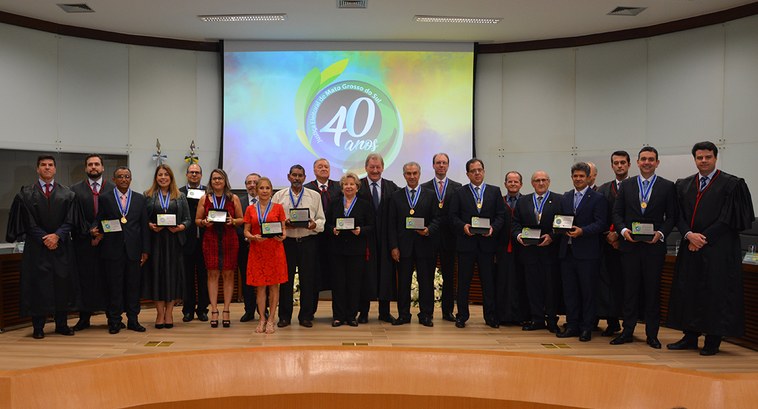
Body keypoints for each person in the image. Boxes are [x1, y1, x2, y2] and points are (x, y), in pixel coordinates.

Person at [667, 141, 754, 356]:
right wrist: (689, 235)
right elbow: (677, 215)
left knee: (716, 292)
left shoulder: (732, 184)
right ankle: (689, 336)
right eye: (699, 157)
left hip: (719, 250)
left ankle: (713, 340)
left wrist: (702, 239)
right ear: (694, 159)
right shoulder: (683, 185)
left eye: (708, 157)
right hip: (690, 246)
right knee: (689, 290)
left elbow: (729, 218)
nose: (703, 161)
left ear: (715, 158)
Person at [6, 155, 81, 339]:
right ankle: (38, 327)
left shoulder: (68, 194)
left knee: (62, 285)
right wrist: (45, 238)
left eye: (50, 165)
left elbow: (71, 220)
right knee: (37, 285)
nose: (47, 168)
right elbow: (27, 222)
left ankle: (62, 324)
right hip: (37, 248)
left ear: (55, 169)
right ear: (37, 169)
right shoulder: (25, 194)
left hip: (61, 247)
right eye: (43, 165)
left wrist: (57, 236)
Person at [610, 147, 677, 349]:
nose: (647, 162)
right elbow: (617, 214)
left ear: (657, 163)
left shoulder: (668, 186)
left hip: (653, 248)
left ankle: (652, 335)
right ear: (637, 163)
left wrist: (660, 234)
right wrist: (623, 232)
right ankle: (627, 331)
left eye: (651, 159)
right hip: (630, 246)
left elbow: (672, 216)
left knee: (652, 291)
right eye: (643, 159)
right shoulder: (627, 185)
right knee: (629, 291)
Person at [449, 158, 506, 328]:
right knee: (463, 283)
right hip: (466, 244)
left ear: (484, 171)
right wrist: (463, 226)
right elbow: (452, 217)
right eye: (473, 170)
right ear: (468, 174)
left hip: (487, 245)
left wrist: (493, 229)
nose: (477, 173)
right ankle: (462, 316)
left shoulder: (494, 191)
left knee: (488, 282)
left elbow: (501, 216)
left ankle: (490, 317)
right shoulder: (459, 192)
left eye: (479, 169)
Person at [93, 166, 150, 333]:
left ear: (130, 179)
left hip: (134, 251)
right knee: (114, 287)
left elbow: (144, 227)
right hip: (112, 250)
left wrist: (145, 250)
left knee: (133, 287)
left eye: (127, 176)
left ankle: (133, 320)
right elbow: (100, 220)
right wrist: (94, 230)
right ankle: (114, 321)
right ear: (114, 179)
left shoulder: (140, 199)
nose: (124, 179)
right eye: (120, 176)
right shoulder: (105, 198)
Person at [556, 162, 607, 342]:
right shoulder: (566, 197)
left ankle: (586, 328)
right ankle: (572, 325)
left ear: (588, 178)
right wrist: (560, 228)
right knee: (570, 292)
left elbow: (601, 223)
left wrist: (582, 231)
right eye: (575, 176)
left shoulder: (598, 198)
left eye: (581, 176)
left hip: (587, 254)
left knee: (587, 292)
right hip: (567, 252)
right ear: (572, 178)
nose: (578, 179)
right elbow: (561, 221)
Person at [273, 164, 325, 328]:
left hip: (308, 242)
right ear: (289, 177)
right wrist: (284, 224)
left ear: (304, 177)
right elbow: (272, 220)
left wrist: (313, 225)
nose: (296, 178)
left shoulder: (314, 196)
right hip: (287, 242)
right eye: (294, 175)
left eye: (300, 176)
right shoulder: (279, 196)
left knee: (308, 280)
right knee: (285, 280)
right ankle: (284, 317)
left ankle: (306, 316)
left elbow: (321, 220)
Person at [388, 162, 440, 326]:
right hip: (403, 248)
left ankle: (426, 315)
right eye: (408, 173)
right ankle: (403, 315)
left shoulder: (430, 195)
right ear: (404, 175)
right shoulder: (396, 196)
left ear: (419, 174)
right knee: (403, 283)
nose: (411, 176)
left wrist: (428, 230)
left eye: (414, 173)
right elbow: (392, 224)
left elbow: (437, 219)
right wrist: (394, 246)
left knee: (426, 281)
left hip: (425, 245)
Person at [511, 171, 563, 333]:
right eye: (537, 180)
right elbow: (515, 223)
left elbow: (562, 223)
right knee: (532, 287)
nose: (541, 183)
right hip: (529, 252)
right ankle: (537, 318)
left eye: (544, 180)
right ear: (532, 183)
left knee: (551, 287)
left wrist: (552, 237)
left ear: (549, 182)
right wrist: (519, 236)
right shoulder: (523, 201)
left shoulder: (559, 200)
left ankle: (552, 319)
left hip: (550, 252)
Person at [70, 154, 114, 331]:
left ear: (103, 167)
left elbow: (117, 215)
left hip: (108, 242)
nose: (93, 167)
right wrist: (89, 231)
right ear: (85, 168)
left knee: (109, 279)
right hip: (83, 243)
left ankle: (113, 317)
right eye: (90, 164)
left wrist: (101, 232)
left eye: (97, 164)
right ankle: (84, 317)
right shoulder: (74, 190)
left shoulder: (113, 188)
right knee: (85, 280)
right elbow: (73, 216)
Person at [144, 164, 190, 329]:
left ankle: (169, 313)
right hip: (155, 242)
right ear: (156, 177)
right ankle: (159, 313)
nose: (163, 177)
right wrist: (150, 225)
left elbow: (187, 220)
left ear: (171, 177)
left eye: (166, 175)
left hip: (173, 242)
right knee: (157, 276)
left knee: (172, 277)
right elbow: (144, 219)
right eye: (160, 175)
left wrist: (180, 227)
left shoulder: (180, 196)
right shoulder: (148, 195)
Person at [196, 169, 244, 328]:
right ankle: (214, 310)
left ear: (225, 181)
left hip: (230, 239)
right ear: (210, 181)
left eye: (220, 178)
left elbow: (241, 219)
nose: (217, 181)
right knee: (212, 274)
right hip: (210, 239)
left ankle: (227, 310)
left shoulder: (233, 198)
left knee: (229, 274)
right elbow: (197, 220)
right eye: (214, 178)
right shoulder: (204, 198)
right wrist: (204, 223)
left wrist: (233, 221)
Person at [325, 172, 374, 327]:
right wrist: (332, 229)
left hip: (356, 250)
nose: (349, 187)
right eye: (346, 184)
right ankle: (338, 317)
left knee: (354, 284)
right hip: (337, 250)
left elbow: (371, 226)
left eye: (352, 184)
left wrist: (361, 230)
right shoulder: (334, 203)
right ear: (342, 187)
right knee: (338, 284)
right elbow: (326, 224)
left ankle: (352, 316)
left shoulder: (364, 204)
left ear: (357, 187)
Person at [420, 153, 462, 322]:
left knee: (449, 276)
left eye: (444, 163)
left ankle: (447, 311)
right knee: (427, 276)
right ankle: (427, 312)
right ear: (433, 165)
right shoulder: (425, 187)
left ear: (448, 165)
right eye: (438, 163)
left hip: (450, 239)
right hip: (429, 238)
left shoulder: (457, 187)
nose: (441, 165)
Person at [357, 153, 399, 323]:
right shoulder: (358, 186)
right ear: (366, 168)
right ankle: (364, 312)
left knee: (386, 275)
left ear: (383, 167)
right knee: (365, 275)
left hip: (386, 238)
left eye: (378, 167)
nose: (375, 170)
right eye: (371, 167)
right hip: (365, 239)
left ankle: (384, 312)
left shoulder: (392, 187)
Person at [243, 177, 288, 334]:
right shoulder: (250, 209)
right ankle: (262, 318)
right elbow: (246, 230)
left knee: (274, 287)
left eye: (267, 188)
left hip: (274, 250)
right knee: (260, 288)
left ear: (271, 190)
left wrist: (282, 236)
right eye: (261, 188)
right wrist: (252, 237)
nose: (264, 191)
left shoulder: (278, 208)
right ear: (256, 190)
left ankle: (271, 320)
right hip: (257, 251)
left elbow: (283, 230)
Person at [596, 151, 631, 336]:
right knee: (608, 284)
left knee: (627, 285)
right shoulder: (602, 189)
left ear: (629, 165)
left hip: (629, 243)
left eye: (623, 162)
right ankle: (612, 321)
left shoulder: (636, 187)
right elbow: (597, 215)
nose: (619, 166)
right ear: (611, 166)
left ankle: (629, 325)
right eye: (616, 163)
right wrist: (608, 235)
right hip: (606, 244)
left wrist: (619, 234)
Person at [304, 158, 341, 317]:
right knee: (312, 277)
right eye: (320, 167)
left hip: (335, 238)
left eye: (326, 166)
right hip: (313, 239)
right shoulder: (306, 190)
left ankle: (339, 313)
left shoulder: (339, 187)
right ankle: (309, 312)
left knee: (337, 276)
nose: (324, 169)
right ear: (314, 170)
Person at [497, 170, 530, 325]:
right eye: (510, 181)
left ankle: (521, 316)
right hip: (502, 248)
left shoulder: (527, 201)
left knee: (520, 281)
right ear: (505, 184)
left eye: (516, 181)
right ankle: (503, 315)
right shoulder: (499, 201)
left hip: (523, 248)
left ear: (521, 184)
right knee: (503, 281)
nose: (513, 184)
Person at [179, 164, 209, 323]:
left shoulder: (208, 193)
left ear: (201, 175)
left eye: (197, 172)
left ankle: (203, 310)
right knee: (187, 278)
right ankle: (188, 310)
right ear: (186, 174)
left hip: (205, 241)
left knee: (204, 277)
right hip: (186, 241)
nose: (194, 175)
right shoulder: (179, 193)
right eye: (191, 172)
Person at [237, 173, 260, 322]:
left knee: (264, 279)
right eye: (248, 183)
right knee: (247, 279)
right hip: (244, 246)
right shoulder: (239, 201)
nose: (252, 185)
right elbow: (237, 223)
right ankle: (249, 310)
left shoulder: (269, 202)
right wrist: (248, 237)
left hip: (264, 246)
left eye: (255, 182)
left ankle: (264, 310)